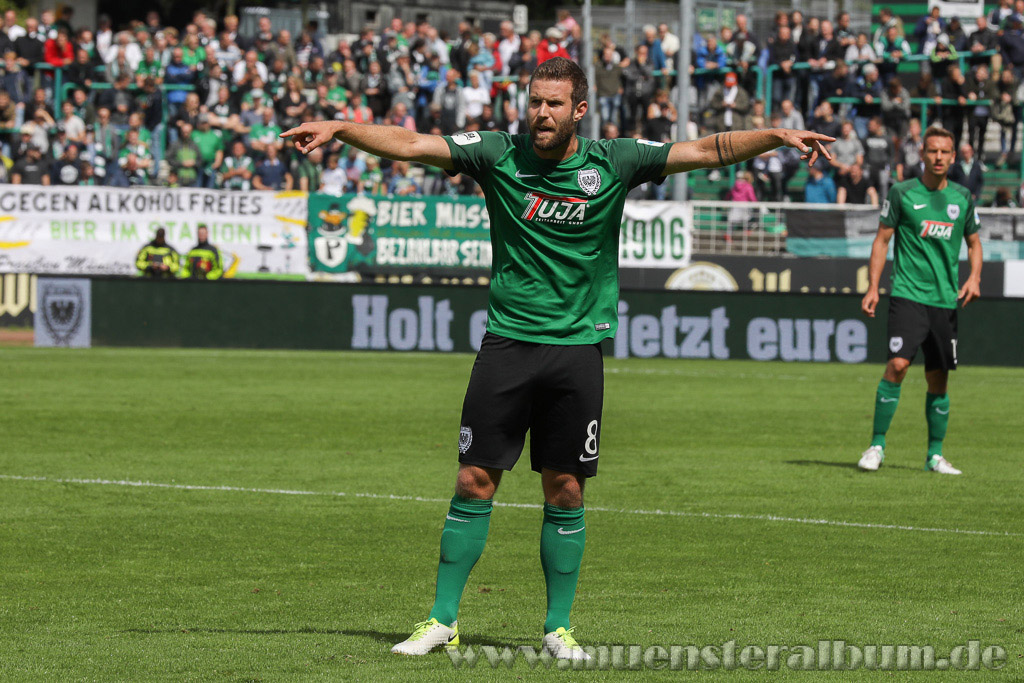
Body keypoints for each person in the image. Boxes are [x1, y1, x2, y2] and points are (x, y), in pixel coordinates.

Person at [281, 56, 833, 659]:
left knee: (565, 488)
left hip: (576, 351)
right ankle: (441, 619)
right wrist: (339, 125)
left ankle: (557, 628)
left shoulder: (613, 162)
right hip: (507, 344)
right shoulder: (495, 153)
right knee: (473, 478)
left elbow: (701, 152)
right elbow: (411, 144)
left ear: (579, 109)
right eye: (534, 101)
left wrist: (777, 135)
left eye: (552, 103)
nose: (540, 113)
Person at [858, 126, 982, 475]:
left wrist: (974, 277)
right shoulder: (901, 193)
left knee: (938, 379)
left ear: (953, 156)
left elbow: (974, 242)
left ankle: (934, 456)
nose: (938, 157)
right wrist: (872, 287)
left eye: (945, 152)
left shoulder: (962, 197)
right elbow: (882, 240)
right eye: (932, 151)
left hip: (944, 300)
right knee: (897, 365)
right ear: (922, 154)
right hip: (907, 296)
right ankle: (876, 445)